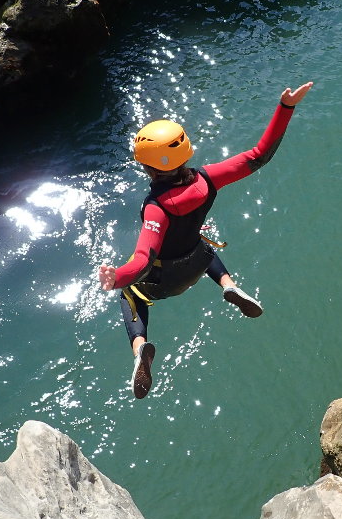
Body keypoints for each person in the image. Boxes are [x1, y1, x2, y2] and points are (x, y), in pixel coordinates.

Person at [98, 81, 314, 398]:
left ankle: (140, 349)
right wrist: (286, 106)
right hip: (198, 263)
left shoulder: (156, 209)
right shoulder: (208, 179)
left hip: (165, 279)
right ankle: (228, 284)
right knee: (202, 240)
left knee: (129, 293)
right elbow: (259, 155)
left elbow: (143, 261)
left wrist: (117, 277)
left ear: (147, 166)